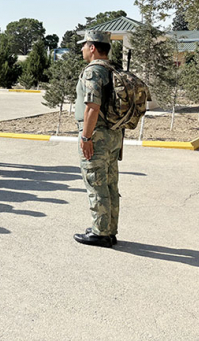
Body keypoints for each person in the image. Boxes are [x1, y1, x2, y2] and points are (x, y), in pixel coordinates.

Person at [73, 30, 123, 248]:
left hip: (98, 135)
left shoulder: (93, 71)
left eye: (84, 45)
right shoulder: (113, 69)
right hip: (114, 134)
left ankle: (100, 233)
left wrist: (86, 136)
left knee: (96, 183)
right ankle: (109, 229)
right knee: (110, 184)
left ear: (92, 47)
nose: (82, 49)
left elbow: (92, 107)